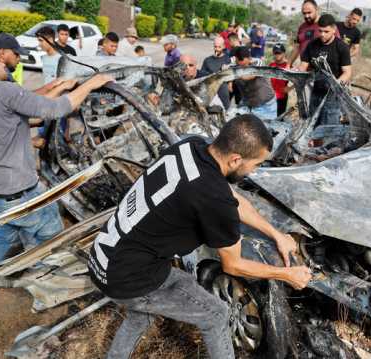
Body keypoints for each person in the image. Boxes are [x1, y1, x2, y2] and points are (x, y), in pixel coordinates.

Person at [88, 114, 312, 359]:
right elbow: (234, 265)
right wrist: (287, 274)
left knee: (142, 309)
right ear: (236, 159)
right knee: (216, 315)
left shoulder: (191, 146)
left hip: (104, 257)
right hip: (128, 278)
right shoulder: (214, 198)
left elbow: (234, 201)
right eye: (255, 164)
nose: (253, 171)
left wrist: (276, 234)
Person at [0, 47, 113, 314]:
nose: (2, 59)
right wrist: (94, 82)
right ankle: (47, 292)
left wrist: (61, 86)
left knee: (3, 237)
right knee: (51, 237)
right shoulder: (2, 91)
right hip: (18, 192)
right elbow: (59, 109)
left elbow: (26, 108)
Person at [299, 14, 351, 127]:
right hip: (316, 93)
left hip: (333, 96)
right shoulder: (312, 45)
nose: (322, 34)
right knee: (313, 127)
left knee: (329, 130)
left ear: (334, 29)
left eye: (326, 31)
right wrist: (295, 77)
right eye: (320, 31)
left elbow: (347, 72)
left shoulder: (341, 47)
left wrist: (335, 85)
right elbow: (303, 66)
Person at [233, 47, 277, 120]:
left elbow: (251, 76)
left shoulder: (258, 62)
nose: (242, 65)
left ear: (249, 58)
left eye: (243, 62)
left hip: (266, 106)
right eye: (239, 61)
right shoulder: (235, 66)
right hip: (248, 104)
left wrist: (237, 74)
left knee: (266, 129)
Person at [202, 37, 232, 109]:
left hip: (223, 91)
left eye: (219, 47)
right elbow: (202, 76)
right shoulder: (207, 60)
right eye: (215, 47)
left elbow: (231, 75)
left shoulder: (228, 60)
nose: (217, 49)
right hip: (210, 91)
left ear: (224, 46)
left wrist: (230, 85)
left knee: (225, 110)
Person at [289, 0, 321, 66]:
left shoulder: (326, 26)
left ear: (317, 10)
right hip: (304, 69)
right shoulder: (302, 27)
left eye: (309, 12)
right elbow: (297, 48)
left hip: (320, 70)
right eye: (304, 13)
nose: (306, 16)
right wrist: (288, 64)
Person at [269, 44, 291, 117]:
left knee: (279, 118)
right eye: (276, 53)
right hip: (271, 97)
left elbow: (298, 79)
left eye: (279, 53)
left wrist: (290, 87)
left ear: (284, 53)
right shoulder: (271, 65)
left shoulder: (288, 66)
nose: (277, 55)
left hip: (282, 97)